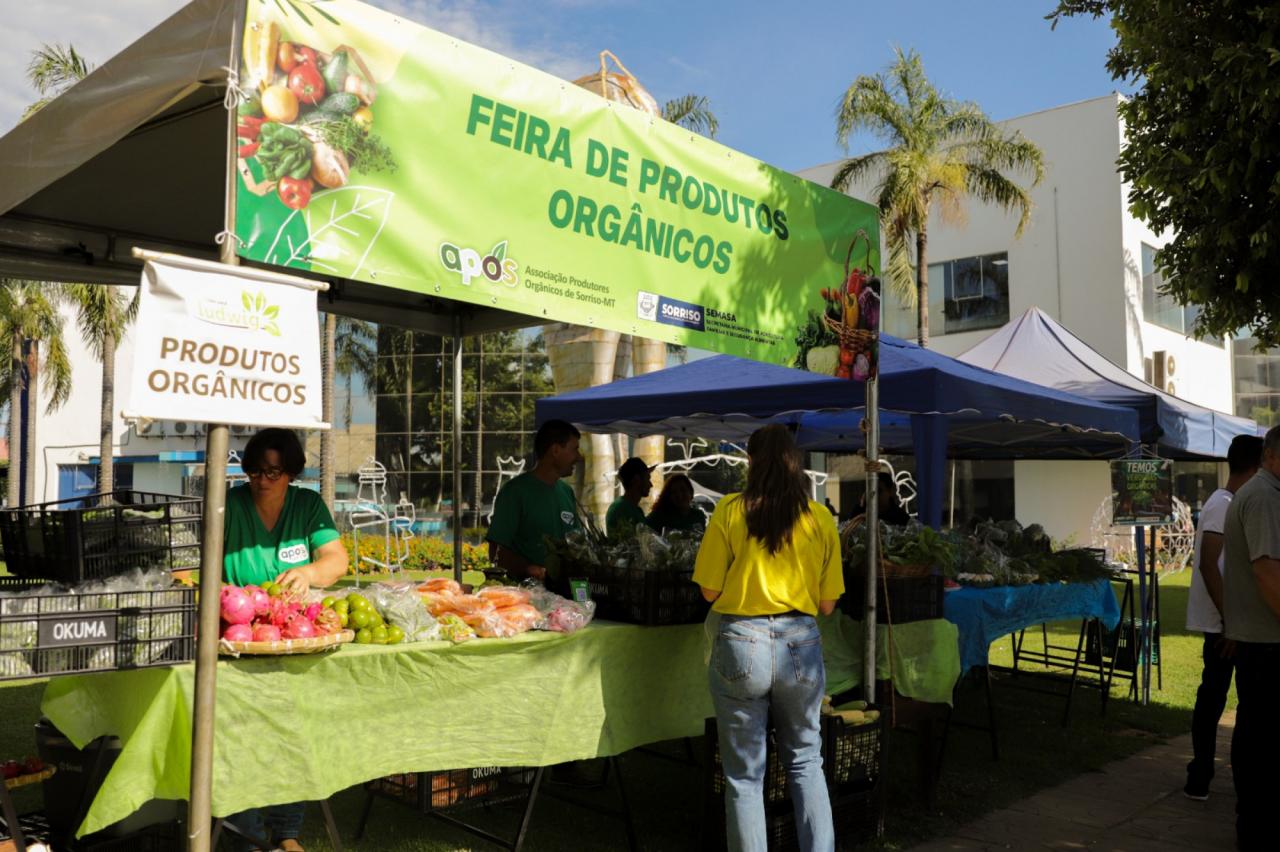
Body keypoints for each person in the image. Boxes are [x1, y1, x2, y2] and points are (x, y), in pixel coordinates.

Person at [693, 424, 843, 852]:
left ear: (751, 462)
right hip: (801, 643)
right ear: (795, 462)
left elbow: (709, 591)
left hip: (741, 642)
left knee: (744, 776)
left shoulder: (729, 510)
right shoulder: (819, 517)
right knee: (806, 761)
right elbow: (829, 603)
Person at [223, 428, 348, 852]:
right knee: (238, 736)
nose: (263, 479)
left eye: (273, 472)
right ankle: (248, 833)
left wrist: (309, 574)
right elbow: (193, 566)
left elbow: (335, 560)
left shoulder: (308, 505)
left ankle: (287, 831)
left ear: (291, 472)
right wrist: (233, 596)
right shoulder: (229, 505)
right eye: (256, 470)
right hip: (239, 640)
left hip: (292, 639)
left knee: (291, 736)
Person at [1184, 434, 1262, 801]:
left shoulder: (1236, 502)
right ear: (1258, 466)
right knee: (1213, 699)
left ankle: (1215, 777)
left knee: (1229, 702)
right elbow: (1208, 565)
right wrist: (1230, 622)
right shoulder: (1222, 503)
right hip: (1223, 625)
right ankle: (1200, 774)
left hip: (1234, 622)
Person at [1222, 425, 1280, 851]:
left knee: (1259, 733)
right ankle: (1255, 827)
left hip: (1263, 638)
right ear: (1273, 456)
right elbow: (1266, 572)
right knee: (1261, 739)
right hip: (1266, 642)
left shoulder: (1267, 493)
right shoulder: (1263, 497)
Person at [487, 419, 584, 584]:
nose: (579, 457)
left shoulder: (566, 492)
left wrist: (584, 598)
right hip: (528, 600)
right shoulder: (515, 492)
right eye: (574, 449)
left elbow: (576, 548)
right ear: (555, 450)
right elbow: (496, 552)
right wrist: (527, 568)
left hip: (565, 601)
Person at [606, 457, 653, 538]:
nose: (651, 485)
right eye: (647, 479)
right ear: (636, 480)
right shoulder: (621, 510)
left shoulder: (631, 508)